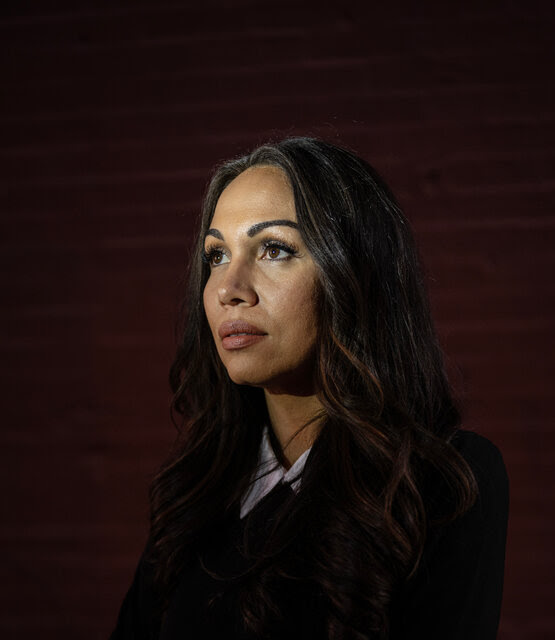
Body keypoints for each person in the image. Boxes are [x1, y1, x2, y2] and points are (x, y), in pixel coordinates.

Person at [110, 137, 509, 639]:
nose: (230, 287)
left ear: (353, 274)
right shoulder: (195, 492)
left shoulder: (441, 481)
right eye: (216, 255)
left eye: (273, 249)